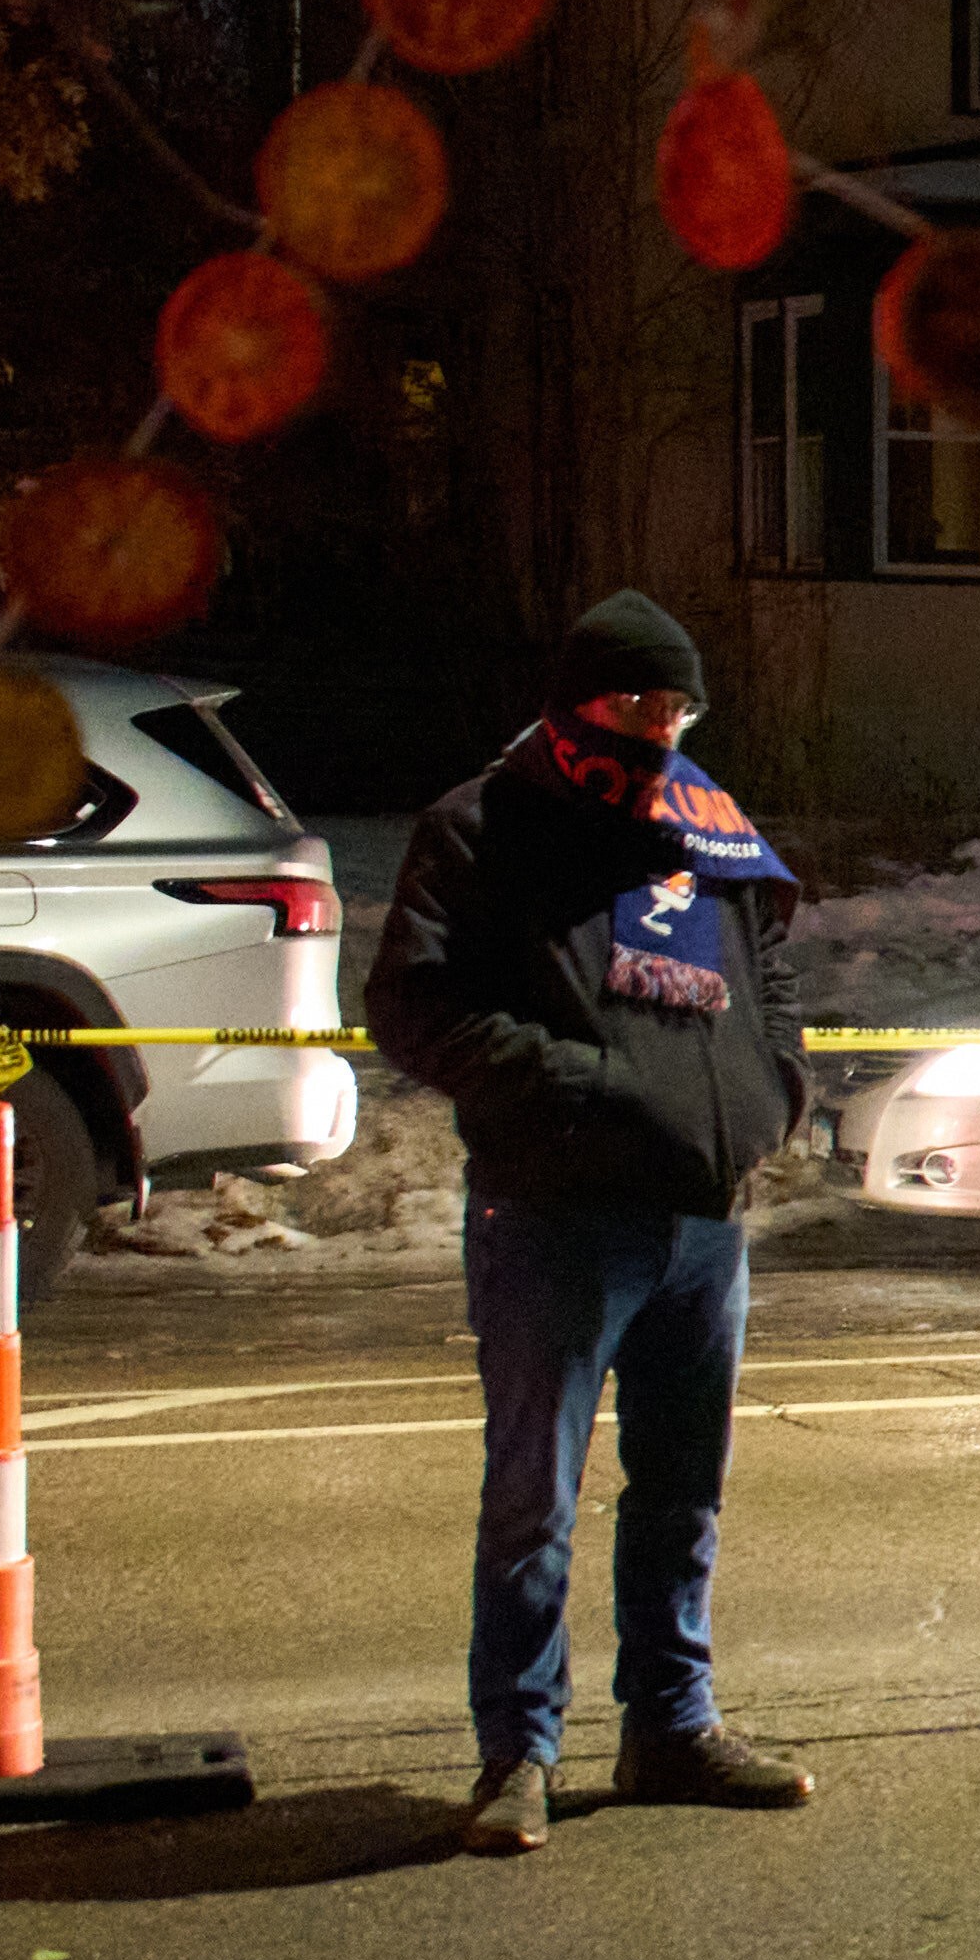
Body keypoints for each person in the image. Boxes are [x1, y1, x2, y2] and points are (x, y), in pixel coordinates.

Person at [365, 590, 819, 1853]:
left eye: (680, 708)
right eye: (638, 705)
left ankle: (672, 1725)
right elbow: (411, 1004)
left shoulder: (706, 826)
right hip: (557, 1213)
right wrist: (584, 1088)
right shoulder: (486, 823)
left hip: (702, 1222)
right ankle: (518, 1752)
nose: (663, 730)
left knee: (683, 1492)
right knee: (535, 1500)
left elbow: (767, 970)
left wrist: (776, 1085)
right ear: (577, 705)